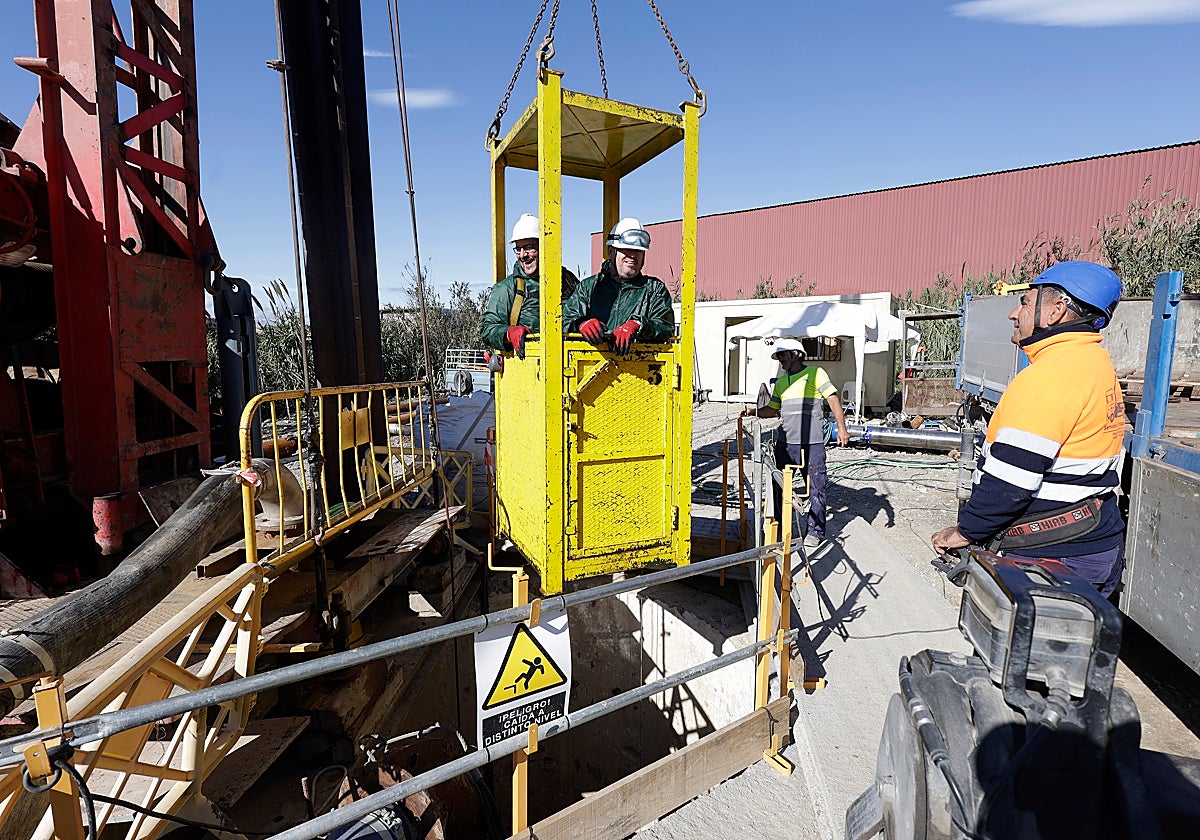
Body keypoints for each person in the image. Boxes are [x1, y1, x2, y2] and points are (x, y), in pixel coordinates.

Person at [931, 260, 1126, 595]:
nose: (1013, 314)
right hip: (1089, 544)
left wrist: (966, 532)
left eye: (1024, 302)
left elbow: (1011, 482)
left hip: (1056, 558)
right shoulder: (1093, 362)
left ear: (1055, 311)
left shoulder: (1051, 377)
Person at [742, 338, 850, 547]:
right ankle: (781, 529)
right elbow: (772, 409)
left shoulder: (816, 374)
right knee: (780, 486)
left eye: (783, 355)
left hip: (812, 443)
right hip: (786, 443)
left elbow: (833, 399)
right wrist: (753, 411)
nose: (780, 360)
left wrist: (842, 429)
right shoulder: (781, 382)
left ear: (796, 354)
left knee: (815, 487)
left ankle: (816, 531)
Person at [562, 217, 675, 354]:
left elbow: (665, 326)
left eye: (638, 251)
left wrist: (638, 325)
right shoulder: (588, 288)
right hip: (589, 369)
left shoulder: (655, 290)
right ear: (611, 251)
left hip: (640, 371)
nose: (632, 255)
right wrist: (580, 323)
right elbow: (564, 322)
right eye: (626, 249)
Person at [481, 213, 580, 359]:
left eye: (528, 247)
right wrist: (508, 333)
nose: (522, 255)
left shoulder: (568, 280)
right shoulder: (507, 288)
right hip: (527, 369)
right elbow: (488, 329)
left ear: (544, 246)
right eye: (518, 249)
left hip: (570, 366)